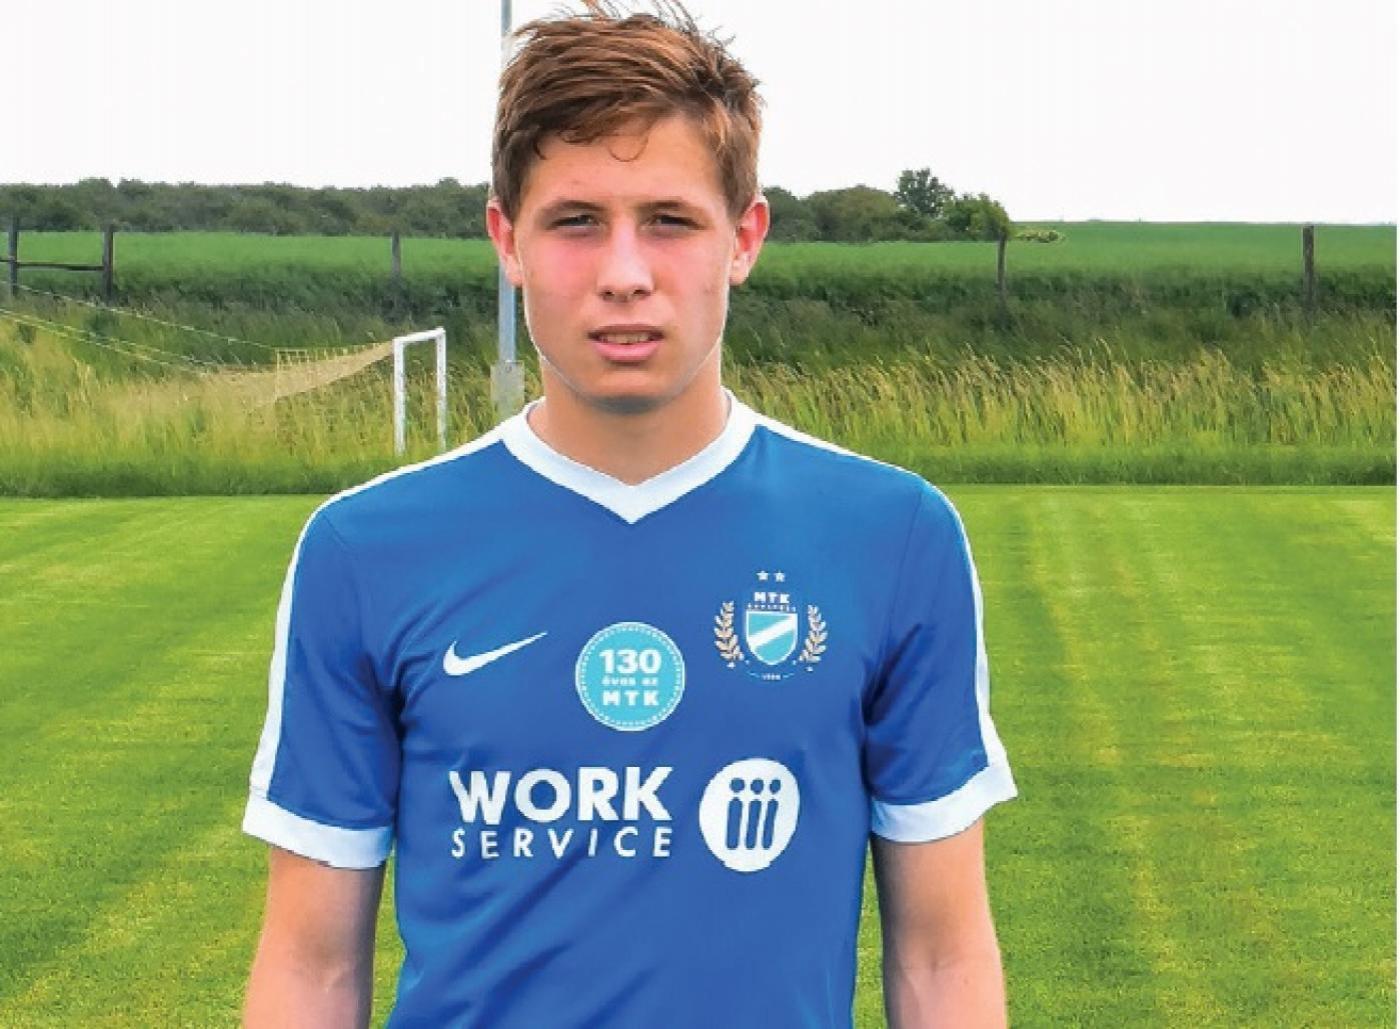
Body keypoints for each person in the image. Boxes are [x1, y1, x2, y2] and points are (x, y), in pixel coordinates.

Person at [241, 3, 1017, 1026]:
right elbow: (311, 967)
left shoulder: (893, 536)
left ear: (742, 238)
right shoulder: (364, 550)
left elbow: (941, 956)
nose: (623, 274)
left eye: (668, 220)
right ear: (507, 241)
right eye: (575, 221)